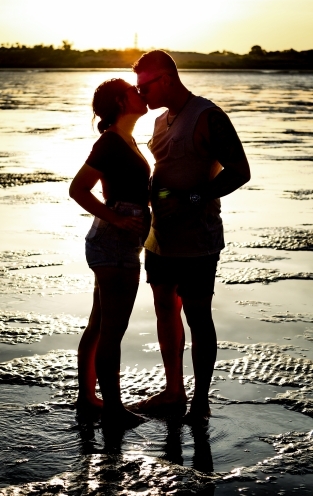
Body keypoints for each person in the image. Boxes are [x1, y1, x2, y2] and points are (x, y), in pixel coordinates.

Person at [132, 51, 251, 424]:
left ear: (166, 78)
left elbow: (240, 170)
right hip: (160, 236)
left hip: (197, 238)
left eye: (144, 86)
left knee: (198, 316)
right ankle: (173, 391)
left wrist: (195, 198)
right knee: (165, 309)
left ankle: (200, 401)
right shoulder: (160, 121)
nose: (141, 94)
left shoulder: (208, 116)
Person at [69, 78, 151, 427]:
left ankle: (88, 399)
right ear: (120, 101)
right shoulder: (111, 143)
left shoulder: (127, 140)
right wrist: (117, 218)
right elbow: (78, 189)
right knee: (112, 329)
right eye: (134, 91)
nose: (141, 93)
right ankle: (113, 410)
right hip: (113, 243)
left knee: (99, 324)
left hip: (119, 242)